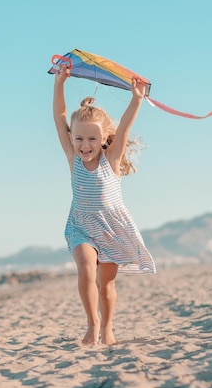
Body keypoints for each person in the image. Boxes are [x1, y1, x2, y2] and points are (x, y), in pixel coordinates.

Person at [52, 65, 156, 346]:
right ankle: (92, 323)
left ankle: (108, 326)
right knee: (86, 268)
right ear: (72, 138)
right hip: (81, 226)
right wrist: (59, 84)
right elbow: (59, 117)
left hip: (112, 228)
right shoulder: (72, 158)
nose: (84, 145)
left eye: (92, 139)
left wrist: (136, 99)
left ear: (103, 139)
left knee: (106, 284)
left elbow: (124, 127)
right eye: (79, 138)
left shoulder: (110, 161)